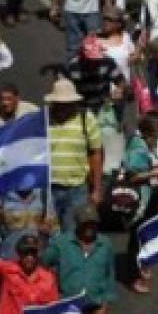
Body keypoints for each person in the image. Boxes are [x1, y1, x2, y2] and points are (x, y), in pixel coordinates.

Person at [40, 203, 115, 314]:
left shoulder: (106, 245)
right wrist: (44, 237)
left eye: (93, 224)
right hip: (66, 306)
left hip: (93, 308)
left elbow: (109, 278)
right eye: (85, 224)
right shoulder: (62, 242)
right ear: (77, 224)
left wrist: (104, 307)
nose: (89, 228)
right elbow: (43, 263)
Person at [45, 78, 104, 231]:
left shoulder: (86, 118)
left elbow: (96, 152)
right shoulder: (43, 119)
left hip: (76, 188)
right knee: (48, 234)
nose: (63, 107)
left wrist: (97, 189)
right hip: (48, 189)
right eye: (59, 104)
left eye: (67, 104)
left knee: (71, 235)